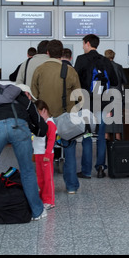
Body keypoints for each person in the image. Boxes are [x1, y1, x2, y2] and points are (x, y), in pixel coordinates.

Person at [0, 84, 48, 222]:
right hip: (19, 125)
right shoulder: (25, 100)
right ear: (25, 93)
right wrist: (32, 127)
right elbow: (42, 128)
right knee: (27, 170)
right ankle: (37, 211)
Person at [31, 40, 81, 194]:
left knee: (45, 152)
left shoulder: (39, 69)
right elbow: (79, 96)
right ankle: (71, 186)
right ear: (62, 53)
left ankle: (44, 185)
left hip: (45, 120)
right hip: (66, 118)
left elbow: (34, 96)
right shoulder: (70, 71)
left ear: (47, 53)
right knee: (70, 151)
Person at [74, 34, 118, 179]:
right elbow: (115, 81)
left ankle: (86, 171)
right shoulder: (105, 61)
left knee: (87, 136)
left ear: (87, 43)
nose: (82, 46)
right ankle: (100, 168)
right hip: (103, 105)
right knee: (100, 137)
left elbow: (75, 81)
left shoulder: (81, 59)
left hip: (87, 105)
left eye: (83, 44)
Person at [33, 99, 57, 210]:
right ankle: (43, 197)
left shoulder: (50, 124)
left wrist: (47, 153)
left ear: (44, 111)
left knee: (48, 179)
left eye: (38, 113)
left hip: (46, 155)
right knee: (40, 179)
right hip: (38, 154)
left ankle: (49, 200)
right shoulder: (40, 124)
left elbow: (51, 140)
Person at [104, 49, 127, 141]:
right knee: (117, 116)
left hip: (106, 94)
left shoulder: (103, 67)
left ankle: (106, 135)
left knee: (107, 115)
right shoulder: (119, 66)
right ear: (113, 57)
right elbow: (125, 80)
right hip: (117, 94)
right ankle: (118, 136)